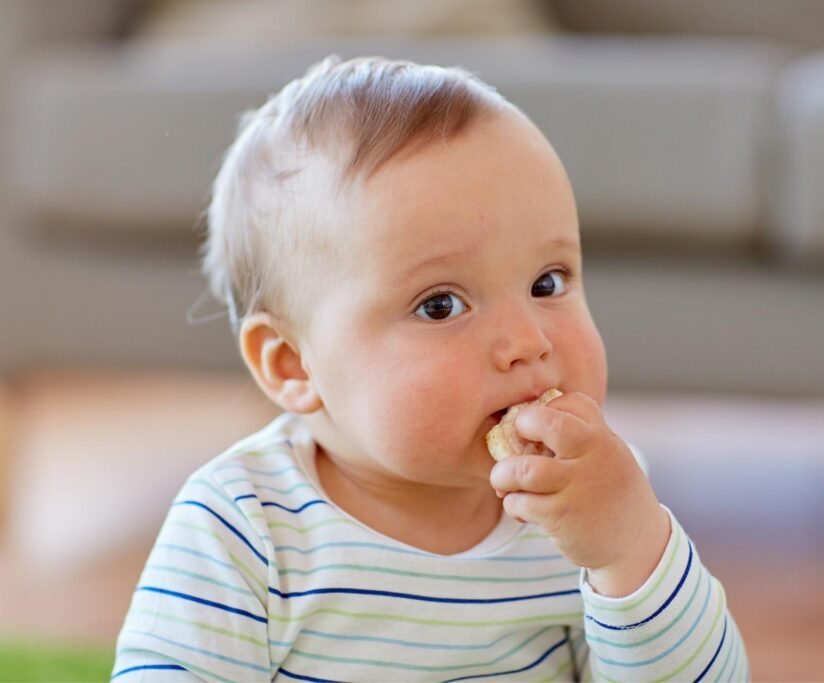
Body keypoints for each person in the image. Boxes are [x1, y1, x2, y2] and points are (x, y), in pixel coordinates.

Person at [112, 54, 749, 681]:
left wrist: (630, 551)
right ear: (294, 366)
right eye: (441, 305)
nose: (527, 341)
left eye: (548, 282)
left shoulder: (589, 506)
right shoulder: (244, 525)